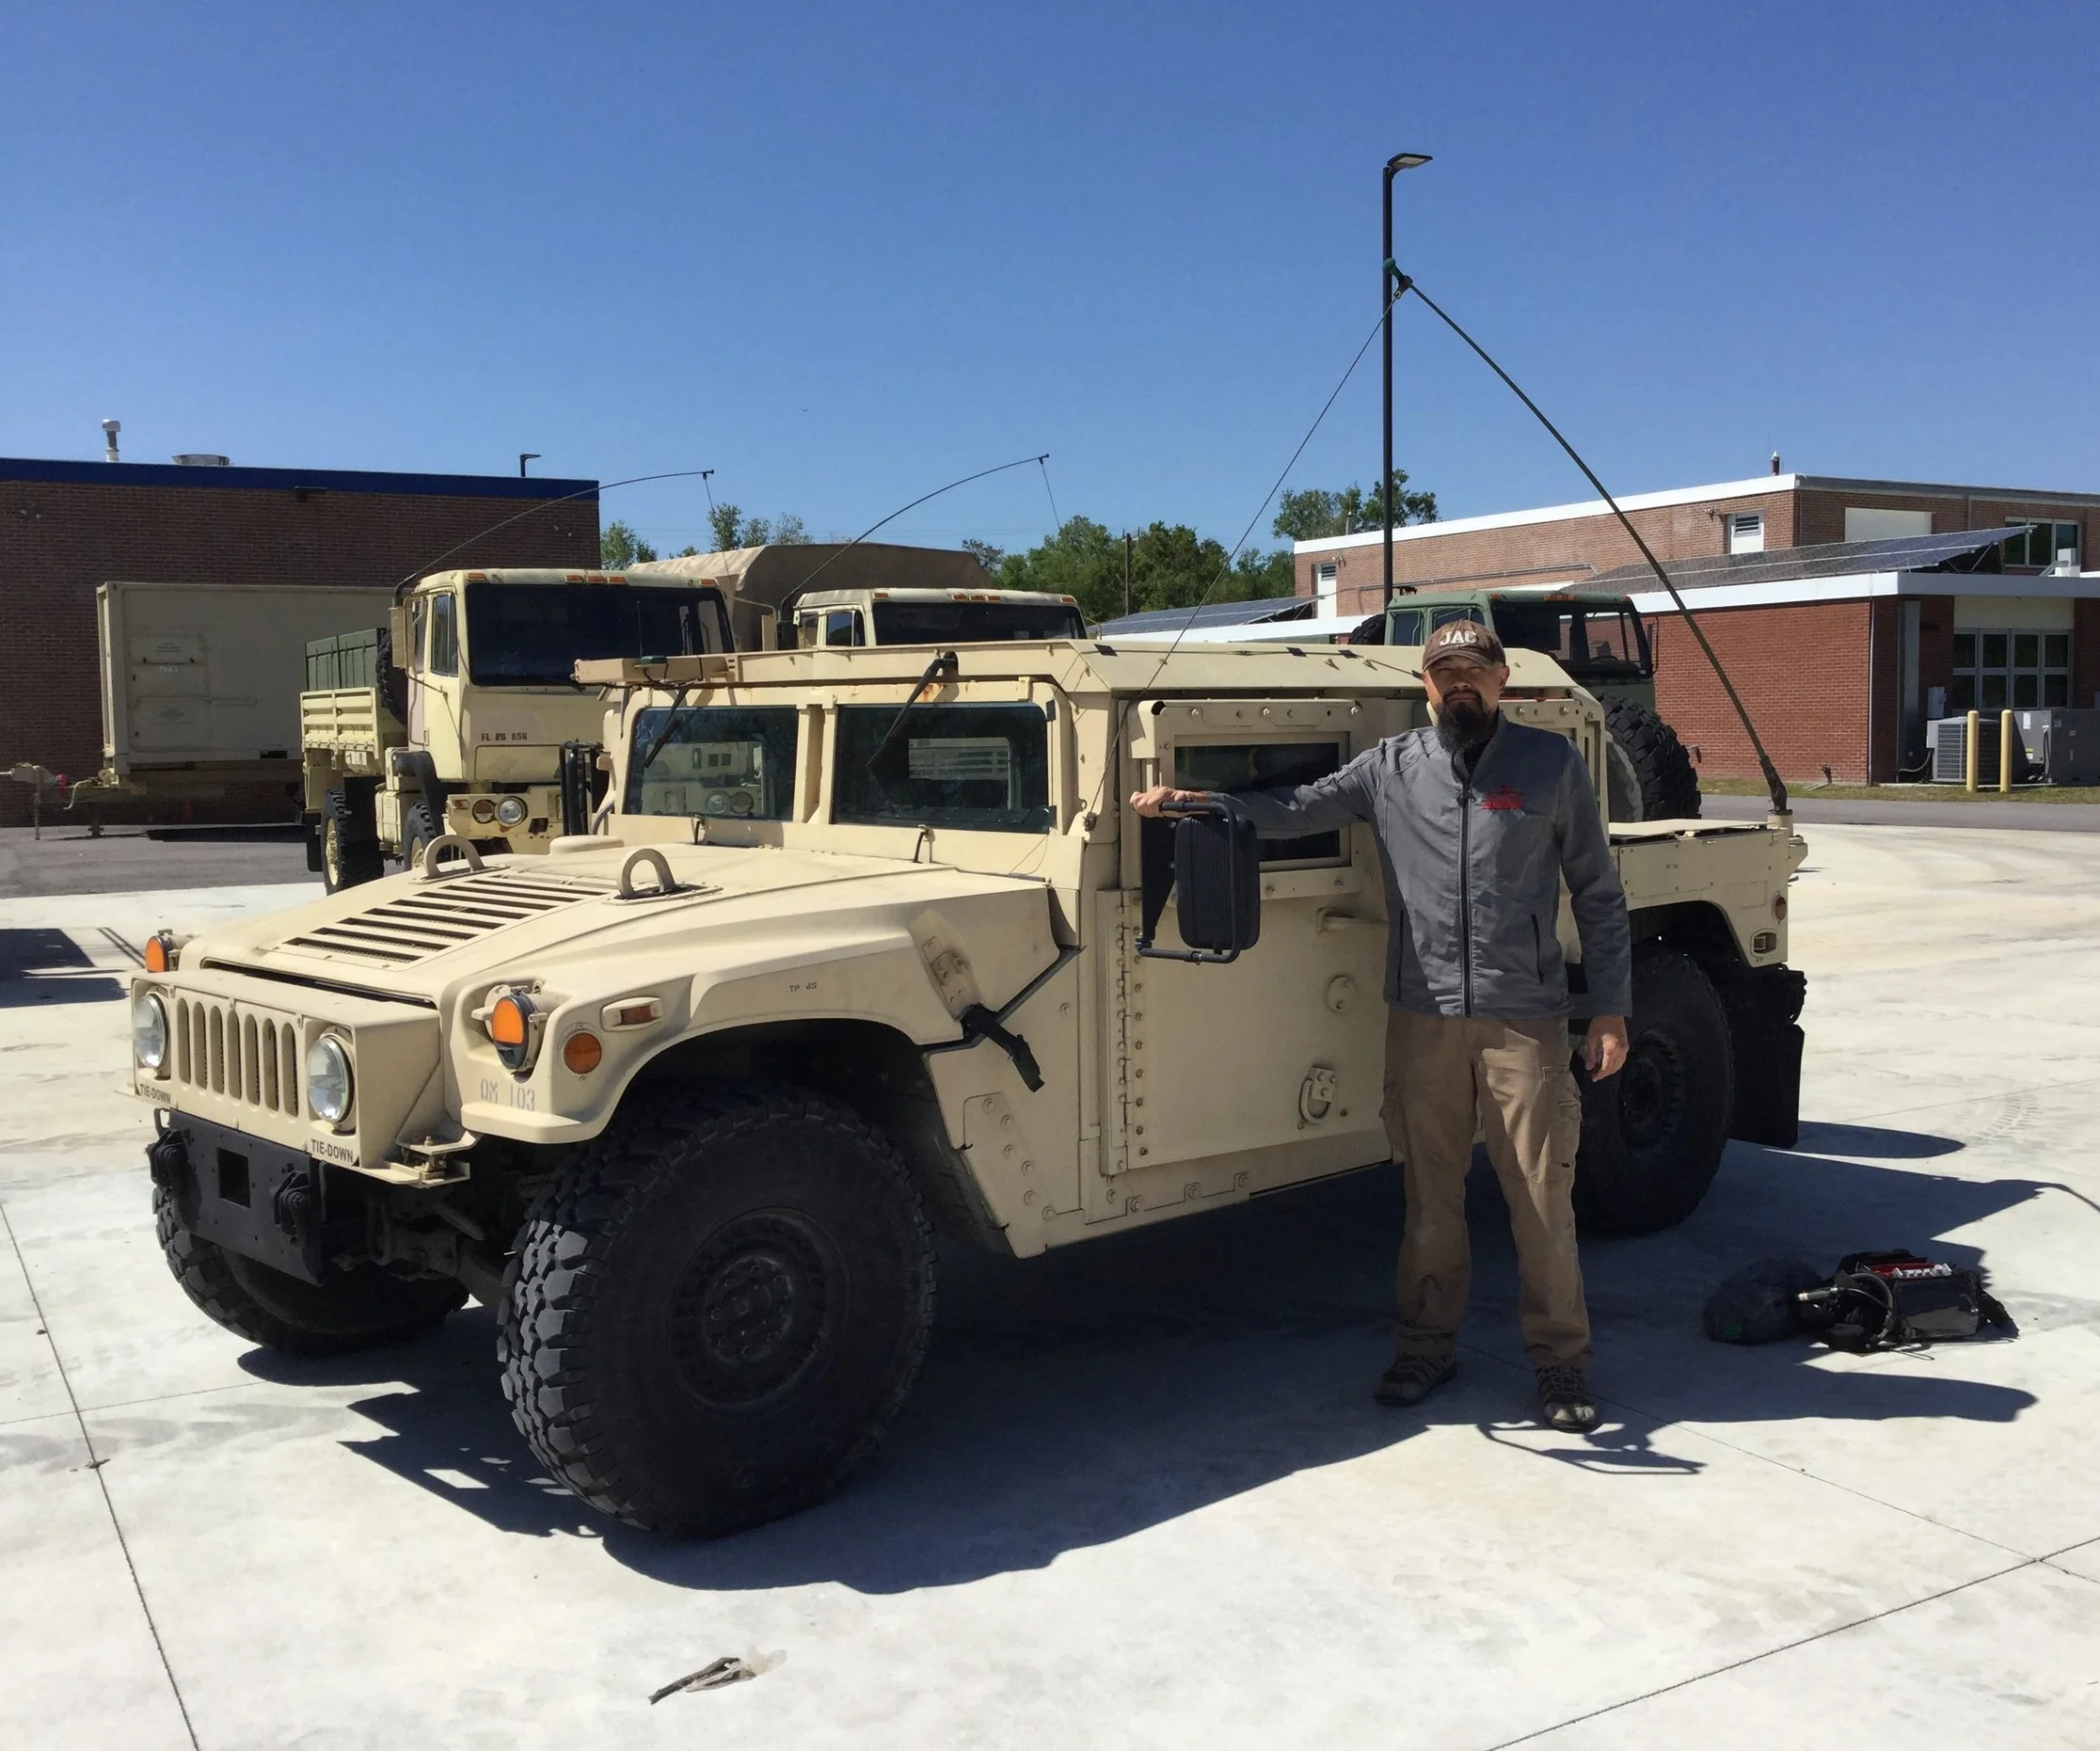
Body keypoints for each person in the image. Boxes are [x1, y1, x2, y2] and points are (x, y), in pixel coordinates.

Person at [1130, 618, 1631, 1430]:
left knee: (1542, 1199)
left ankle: (1561, 1362)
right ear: (1424, 686)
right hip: (1422, 1017)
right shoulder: (1391, 767)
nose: (1459, 683)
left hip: (1524, 1021)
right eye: (1444, 673)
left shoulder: (1550, 764)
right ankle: (1427, 1345)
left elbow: (1599, 893)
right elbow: (1295, 806)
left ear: (1502, 679)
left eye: (1474, 669)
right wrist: (1196, 802)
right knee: (1429, 1196)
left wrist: (1609, 1006)